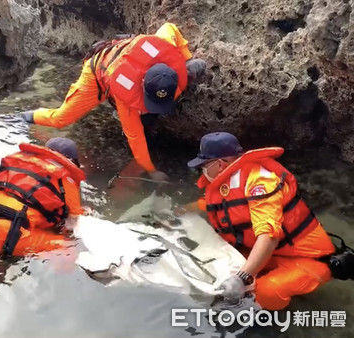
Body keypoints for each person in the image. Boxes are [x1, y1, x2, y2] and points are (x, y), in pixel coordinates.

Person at [21, 23, 207, 181]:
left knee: (147, 120)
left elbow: (169, 27)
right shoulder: (126, 99)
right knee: (61, 119)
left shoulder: (164, 48)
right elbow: (135, 139)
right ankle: (25, 118)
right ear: (142, 85)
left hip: (123, 67)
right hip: (97, 76)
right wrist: (151, 171)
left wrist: (187, 58)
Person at [185, 131, 337, 310]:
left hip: (307, 258)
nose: (202, 170)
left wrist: (241, 278)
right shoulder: (229, 181)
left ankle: (269, 320)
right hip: (275, 253)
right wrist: (182, 211)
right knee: (217, 265)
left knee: (266, 292)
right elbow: (217, 205)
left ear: (219, 164)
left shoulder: (260, 183)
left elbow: (268, 236)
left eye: (204, 165)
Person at [0, 137, 86, 256]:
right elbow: (74, 222)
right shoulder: (66, 178)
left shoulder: (16, 160)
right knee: (69, 248)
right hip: (7, 237)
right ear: (72, 161)